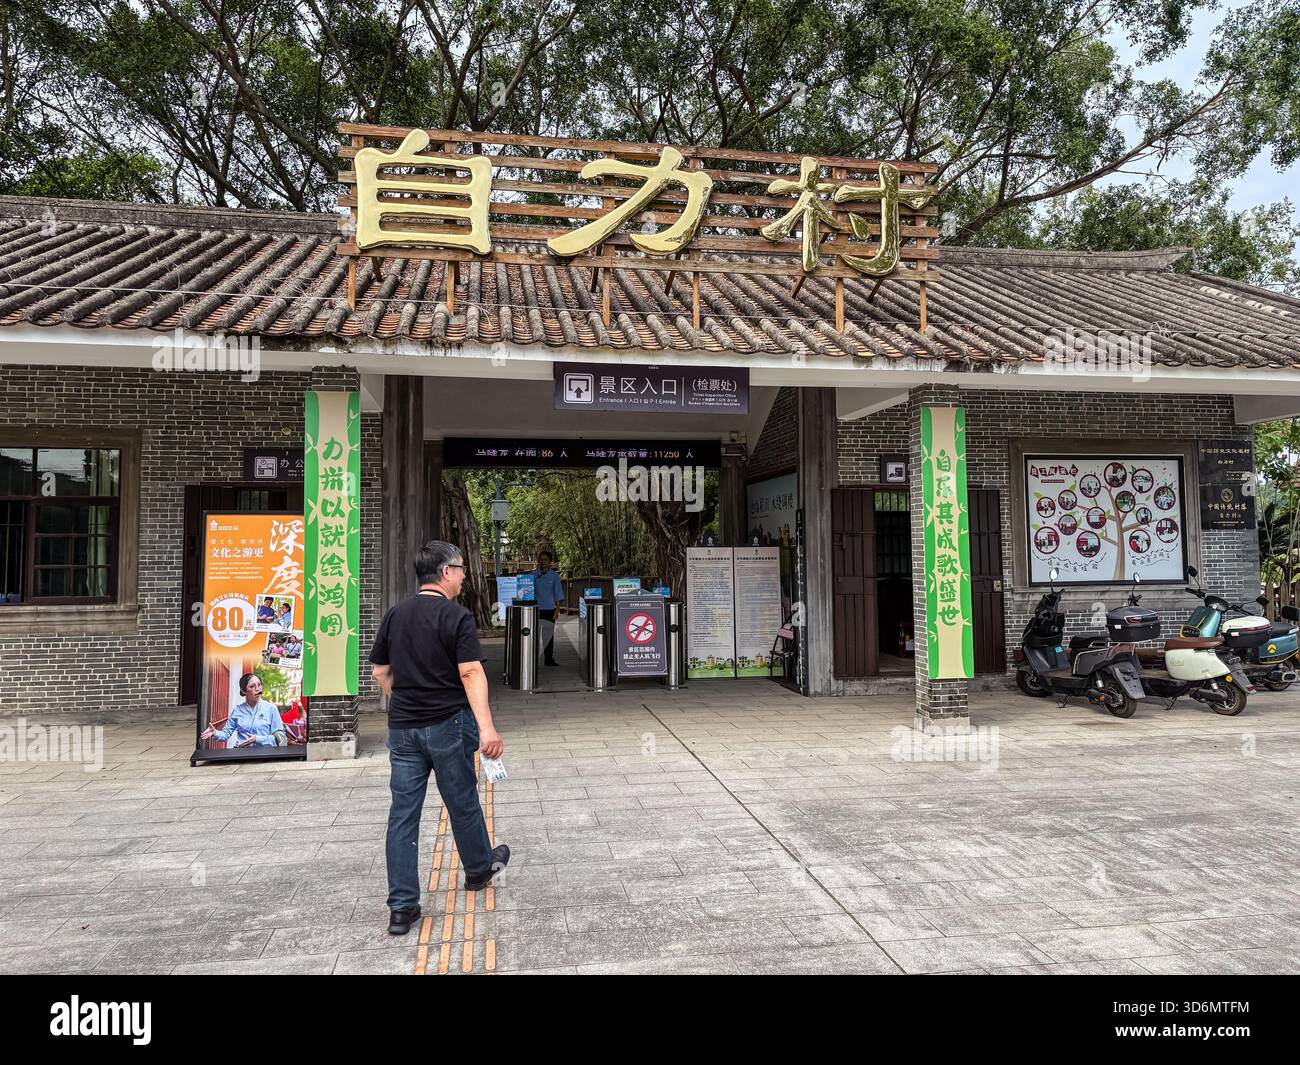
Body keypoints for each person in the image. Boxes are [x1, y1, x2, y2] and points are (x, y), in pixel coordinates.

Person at [371, 539, 509, 936]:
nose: (465, 576)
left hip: (403, 729)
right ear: (446, 572)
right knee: (461, 799)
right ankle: (479, 870)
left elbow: (381, 672)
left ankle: (401, 907)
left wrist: (407, 702)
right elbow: (470, 673)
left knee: (403, 815)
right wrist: (487, 727)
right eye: (462, 569)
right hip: (448, 724)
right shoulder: (456, 617)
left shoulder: (395, 615)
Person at [201, 673, 286, 748]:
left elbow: (280, 737)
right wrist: (215, 732)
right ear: (244, 691)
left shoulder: (271, 708)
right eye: (252, 686)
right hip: (243, 755)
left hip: (267, 756)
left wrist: (257, 739)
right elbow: (225, 734)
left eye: (259, 685)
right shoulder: (237, 711)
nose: (258, 689)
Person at [529, 549, 565, 666]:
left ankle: (548, 659)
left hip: (549, 610)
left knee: (548, 636)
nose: (543, 561)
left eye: (546, 560)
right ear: (538, 561)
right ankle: (531, 659)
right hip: (534, 610)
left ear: (550, 562)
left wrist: (557, 611)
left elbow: (558, 594)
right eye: (541, 559)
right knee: (533, 636)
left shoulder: (554, 576)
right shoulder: (532, 575)